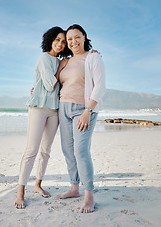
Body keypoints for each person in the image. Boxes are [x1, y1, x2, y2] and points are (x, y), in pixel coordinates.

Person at [15, 26, 70, 209]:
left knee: (46, 151)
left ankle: (38, 184)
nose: (60, 44)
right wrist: (61, 67)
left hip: (54, 109)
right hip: (38, 108)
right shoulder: (44, 58)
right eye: (57, 40)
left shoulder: (63, 61)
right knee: (31, 150)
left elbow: (65, 85)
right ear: (50, 40)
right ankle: (20, 192)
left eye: (63, 41)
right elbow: (50, 85)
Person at [56, 24, 106, 213]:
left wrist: (87, 111)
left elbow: (100, 86)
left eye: (77, 37)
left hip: (83, 110)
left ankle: (89, 196)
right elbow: (53, 83)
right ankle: (74, 188)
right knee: (68, 150)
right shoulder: (65, 61)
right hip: (63, 109)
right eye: (69, 39)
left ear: (84, 37)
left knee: (81, 151)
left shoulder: (93, 57)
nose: (73, 42)